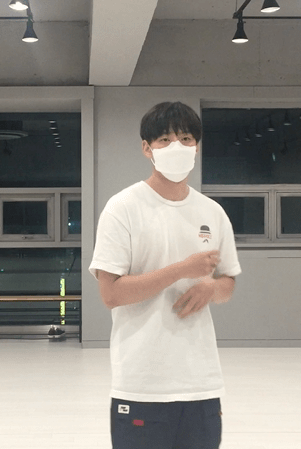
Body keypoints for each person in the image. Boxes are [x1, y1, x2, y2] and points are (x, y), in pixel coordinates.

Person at [89, 101, 242, 449]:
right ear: (147, 148)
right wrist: (181, 270)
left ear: (196, 147)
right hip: (142, 384)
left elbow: (228, 282)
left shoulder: (212, 212)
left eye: (186, 138)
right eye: (165, 140)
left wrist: (211, 289)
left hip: (201, 384)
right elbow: (111, 294)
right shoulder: (123, 208)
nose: (177, 147)